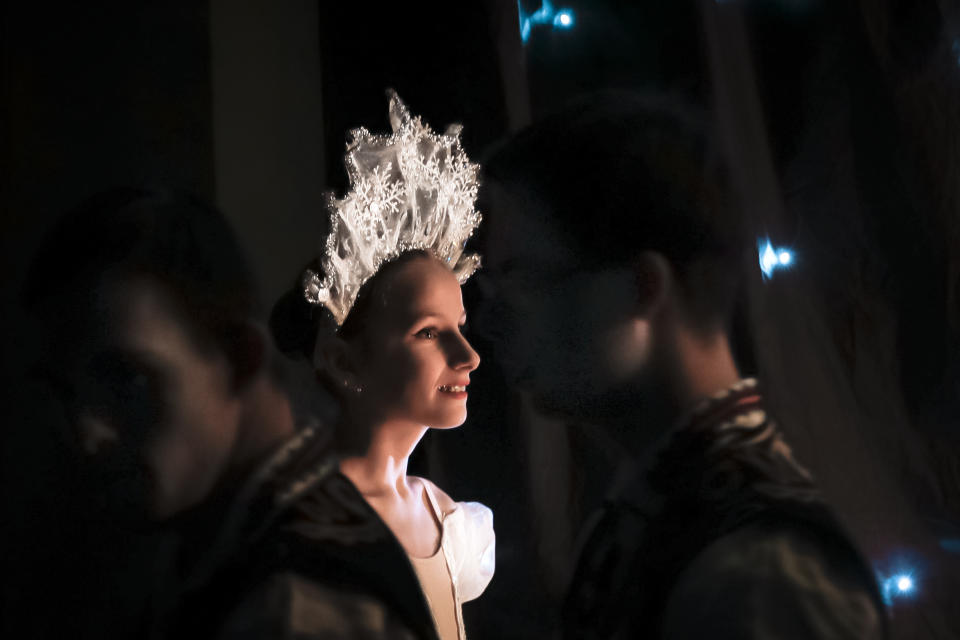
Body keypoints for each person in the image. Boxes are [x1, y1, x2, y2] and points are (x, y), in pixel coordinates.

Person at [476, 93, 888, 638]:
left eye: (520, 278)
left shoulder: (760, 571)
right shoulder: (657, 510)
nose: (487, 321)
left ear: (643, 287)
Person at [17, 188, 437, 639]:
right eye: (66, 392)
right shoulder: (230, 539)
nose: (87, 431)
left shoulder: (297, 607)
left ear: (240, 357)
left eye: (128, 381)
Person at [271, 92, 495, 640]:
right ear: (345, 359)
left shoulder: (450, 526)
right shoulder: (303, 531)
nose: (468, 356)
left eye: (460, 327)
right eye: (428, 333)